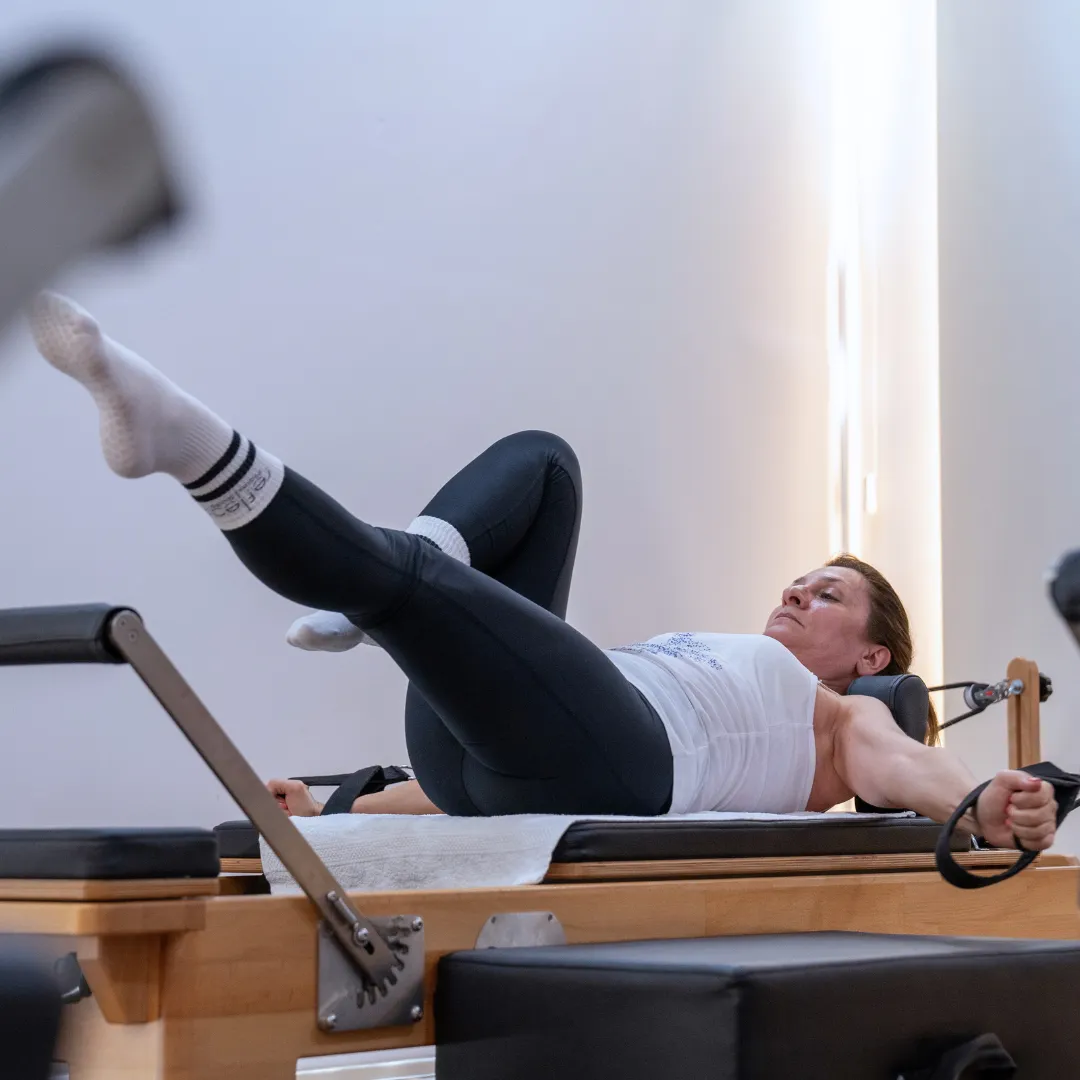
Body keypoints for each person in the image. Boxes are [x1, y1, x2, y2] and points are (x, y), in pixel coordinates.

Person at [29, 292, 1058, 852]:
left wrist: (985, 803)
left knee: (401, 590)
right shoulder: (719, 655)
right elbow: (486, 793)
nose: (794, 591)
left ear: (876, 656)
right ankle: (411, 562)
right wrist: (335, 812)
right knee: (546, 466)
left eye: (826, 592)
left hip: (625, 755)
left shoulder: (851, 720)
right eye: (796, 578)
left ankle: (186, 443)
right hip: (513, 750)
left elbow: (909, 773)